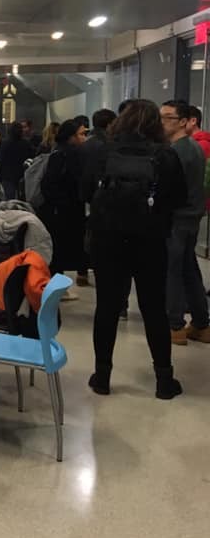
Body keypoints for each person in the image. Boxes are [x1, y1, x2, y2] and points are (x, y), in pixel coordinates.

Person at [83, 100, 186, 399]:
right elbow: (178, 198)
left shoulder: (104, 151)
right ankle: (164, 380)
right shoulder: (165, 155)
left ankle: (102, 376)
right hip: (150, 242)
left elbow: (85, 191)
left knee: (107, 308)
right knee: (154, 308)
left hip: (107, 240)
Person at [159, 100, 210, 344]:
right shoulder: (195, 147)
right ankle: (201, 323)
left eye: (167, 117)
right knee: (189, 270)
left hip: (177, 219)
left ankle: (174, 325)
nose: (161, 122)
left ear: (182, 121)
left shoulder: (176, 151)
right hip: (191, 217)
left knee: (173, 272)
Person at [39, 119, 88, 283]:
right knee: (60, 250)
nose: (84, 138)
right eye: (81, 134)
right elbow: (49, 184)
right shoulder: (66, 155)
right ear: (71, 136)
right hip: (63, 211)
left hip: (60, 210)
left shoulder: (59, 152)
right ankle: (56, 287)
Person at [0, 121, 34, 200]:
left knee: (9, 199)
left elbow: (0, 159)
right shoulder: (26, 144)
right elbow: (31, 158)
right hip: (22, 174)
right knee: (22, 198)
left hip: (7, 174)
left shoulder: (4, 143)